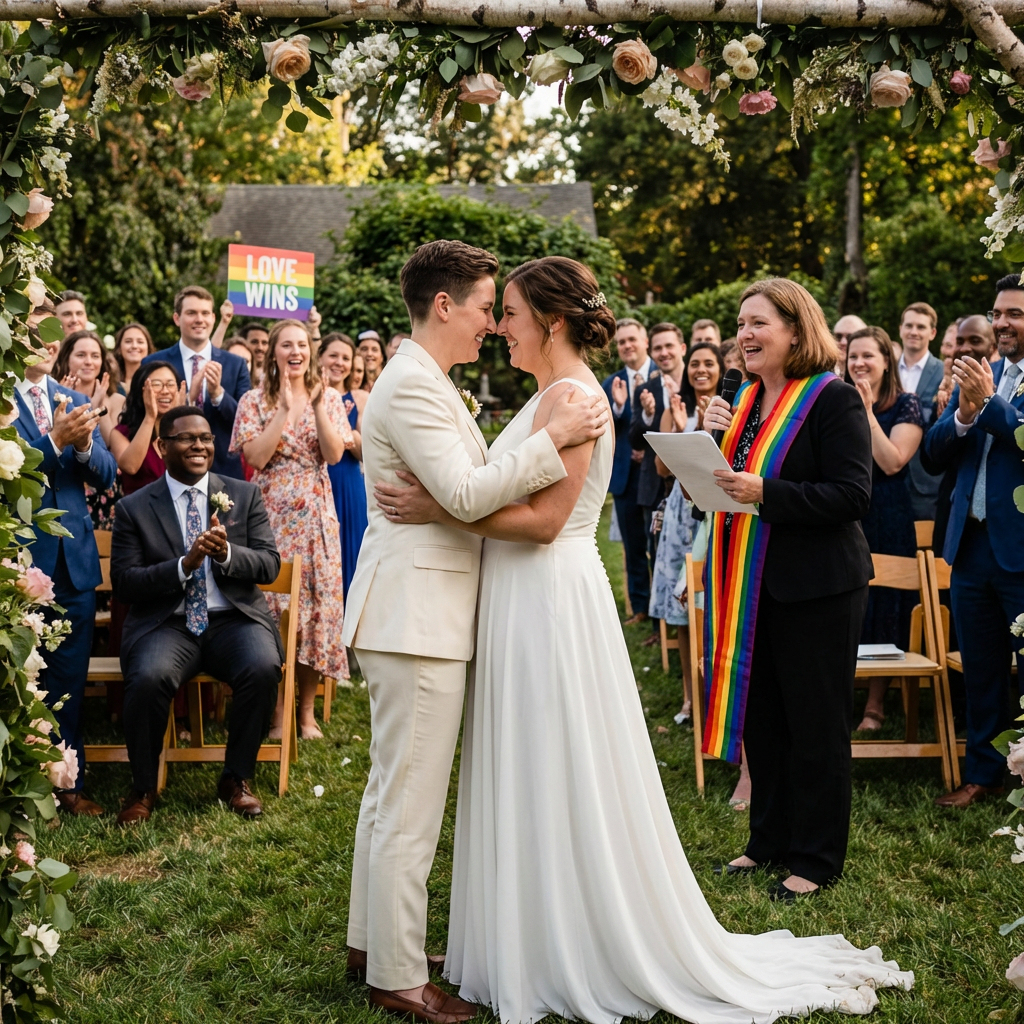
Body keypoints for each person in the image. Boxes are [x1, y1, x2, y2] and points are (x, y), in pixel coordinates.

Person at [376, 262, 911, 1024]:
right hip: (527, 596)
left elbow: (546, 522)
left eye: (514, 312)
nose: (501, 325)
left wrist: (441, 511)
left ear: (552, 321)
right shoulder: (553, 395)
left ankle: (573, 932)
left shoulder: (575, 398)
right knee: (529, 759)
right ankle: (521, 925)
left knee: (560, 762)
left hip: (551, 594)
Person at [340, 240, 608, 1024]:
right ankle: (396, 976)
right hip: (417, 617)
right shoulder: (414, 385)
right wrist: (549, 440)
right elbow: (461, 491)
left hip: (415, 611)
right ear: (447, 305)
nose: (494, 323)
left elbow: (456, 491)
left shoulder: (428, 379)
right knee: (410, 803)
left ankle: (372, 941)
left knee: (393, 791)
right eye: (488, 307)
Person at [702, 278, 874, 898]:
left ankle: (816, 859)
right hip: (752, 582)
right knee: (764, 720)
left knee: (815, 723)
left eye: (758, 323)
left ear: (796, 331)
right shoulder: (743, 403)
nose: (743, 334)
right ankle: (766, 842)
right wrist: (706, 441)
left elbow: (853, 495)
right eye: (740, 323)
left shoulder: (834, 400)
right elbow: (726, 482)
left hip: (819, 588)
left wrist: (767, 493)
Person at [110, 406, 284, 825]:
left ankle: (236, 778)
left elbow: (269, 565)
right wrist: (183, 566)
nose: (200, 445)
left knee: (262, 667)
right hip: (166, 624)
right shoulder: (134, 507)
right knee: (149, 676)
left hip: (233, 620)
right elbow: (126, 583)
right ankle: (144, 787)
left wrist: (226, 553)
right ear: (161, 445)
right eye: (187, 438)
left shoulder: (243, 495)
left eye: (205, 438)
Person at [924, 273, 1024, 808]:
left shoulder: (990, 385)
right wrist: (963, 414)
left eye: (1015, 314)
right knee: (982, 668)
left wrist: (987, 405)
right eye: (998, 312)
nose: (1002, 322)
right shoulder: (985, 374)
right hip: (971, 546)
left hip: (1021, 549)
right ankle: (983, 775)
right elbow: (934, 454)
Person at [12, 321, 117, 815]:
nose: (49, 341)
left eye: (53, 333)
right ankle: (22, 791)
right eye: (37, 331)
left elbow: (108, 474)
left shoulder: (72, 398)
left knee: (68, 680)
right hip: (19, 564)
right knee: (18, 679)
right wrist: (54, 441)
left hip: (73, 566)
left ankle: (66, 785)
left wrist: (81, 445)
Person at [231, 319, 353, 740]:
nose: (296, 351)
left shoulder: (331, 397)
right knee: (272, 608)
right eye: (287, 345)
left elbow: (334, 454)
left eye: (302, 344)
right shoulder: (253, 400)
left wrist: (318, 405)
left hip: (317, 511)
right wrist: (283, 409)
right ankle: (276, 711)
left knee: (315, 611)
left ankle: (306, 713)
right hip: (269, 511)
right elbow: (257, 458)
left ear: (310, 351)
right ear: (274, 353)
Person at [843, 327, 924, 732]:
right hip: (847, 513)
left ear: (885, 361)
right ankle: (843, 698)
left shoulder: (905, 404)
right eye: (852, 356)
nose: (858, 363)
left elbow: (893, 461)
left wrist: (868, 414)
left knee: (887, 606)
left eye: (867, 356)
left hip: (889, 515)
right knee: (848, 606)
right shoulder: (837, 402)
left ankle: (875, 706)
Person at [649, 341, 724, 723]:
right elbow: (662, 470)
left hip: (715, 510)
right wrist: (680, 430)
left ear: (720, 368)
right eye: (695, 363)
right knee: (681, 612)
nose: (700, 370)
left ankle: (717, 693)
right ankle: (689, 698)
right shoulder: (675, 408)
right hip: (682, 509)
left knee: (709, 605)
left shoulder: (729, 407)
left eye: (709, 363)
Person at [143, 285, 252, 480]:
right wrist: (186, 399)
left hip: (224, 472)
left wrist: (218, 394)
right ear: (177, 318)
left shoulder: (235, 365)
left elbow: (245, 421)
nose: (199, 319)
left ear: (213, 318)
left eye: (205, 313)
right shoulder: (153, 363)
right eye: (191, 313)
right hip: (169, 471)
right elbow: (144, 417)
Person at [630, 323, 687, 644]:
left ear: (682, 347)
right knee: (657, 556)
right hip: (657, 485)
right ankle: (659, 628)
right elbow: (635, 438)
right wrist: (649, 415)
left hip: (693, 488)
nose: (663, 353)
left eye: (669, 346)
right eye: (658, 348)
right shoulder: (647, 388)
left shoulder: (698, 381)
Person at [926, 316, 997, 553]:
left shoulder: (1014, 384)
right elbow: (930, 455)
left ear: (994, 345)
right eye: (959, 341)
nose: (965, 348)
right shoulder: (958, 390)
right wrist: (962, 419)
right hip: (959, 527)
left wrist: (989, 404)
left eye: (974, 340)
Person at [601, 318, 654, 627]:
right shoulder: (611, 384)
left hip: (655, 474)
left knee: (655, 542)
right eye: (621, 342)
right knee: (633, 545)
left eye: (632, 339)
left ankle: (662, 608)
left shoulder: (662, 377)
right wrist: (620, 408)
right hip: (624, 476)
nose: (627, 345)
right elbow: (607, 424)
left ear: (644, 341)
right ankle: (640, 606)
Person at [53, 329, 123, 528]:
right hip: (67, 488)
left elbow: (111, 446)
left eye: (95, 356)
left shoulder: (115, 398)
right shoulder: (54, 394)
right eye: (81, 355)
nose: (89, 362)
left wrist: (98, 408)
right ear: (67, 358)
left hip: (103, 488)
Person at [319, 333, 368, 600]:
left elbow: (364, 451)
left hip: (348, 482)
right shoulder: (309, 394)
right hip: (318, 480)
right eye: (333, 356)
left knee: (351, 550)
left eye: (346, 358)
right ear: (320, 357)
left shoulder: (359, 399)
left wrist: (344, 433)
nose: (339, 363)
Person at [897, 302, 944, 519]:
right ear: (900, 329)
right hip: (885, 478)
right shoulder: (884, 370)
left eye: (921, 327)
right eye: (909, 325)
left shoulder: (945, 374)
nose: (913, 332)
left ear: (932, 333)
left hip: (925, 482)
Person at [113, 322, 156, 395]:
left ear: (148, 348)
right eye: (128, 341)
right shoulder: (111, 382)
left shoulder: (156, 380)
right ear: (119, 348)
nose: (134, 346)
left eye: (140, 342)